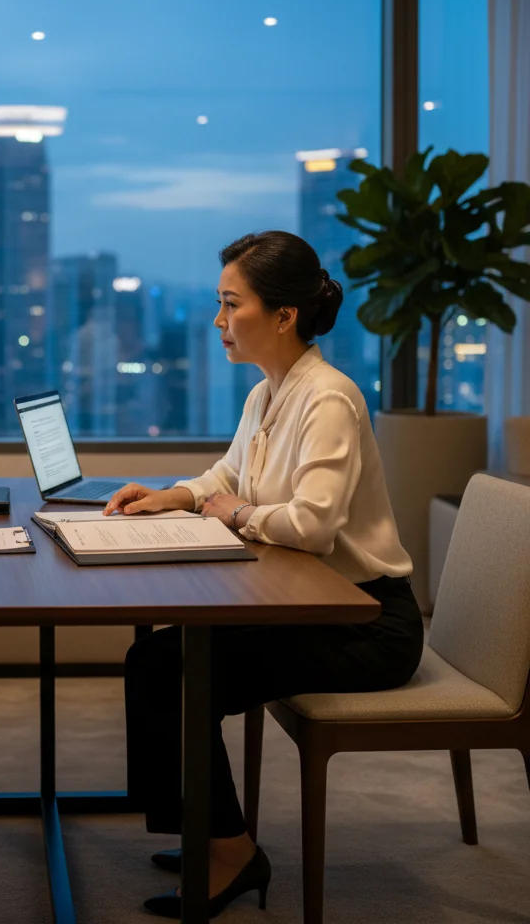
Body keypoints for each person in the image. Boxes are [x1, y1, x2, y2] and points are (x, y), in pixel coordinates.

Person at [104, 230, 423, 919]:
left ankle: (233, 855)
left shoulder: (328, 398)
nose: (218, 322)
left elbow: (312, 525)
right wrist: (178, 496)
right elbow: (227, 476)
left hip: (365, 621)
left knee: (176, 671)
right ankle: (204, 830)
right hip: (308, 604)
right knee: (154, 656)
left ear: (283, 315)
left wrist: (236, 511)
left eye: (230, 305)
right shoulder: (268, 390)